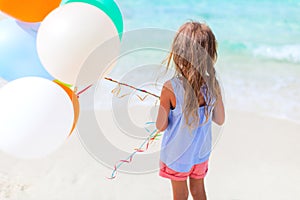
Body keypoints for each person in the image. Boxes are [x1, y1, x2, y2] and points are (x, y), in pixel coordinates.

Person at [156, 21, 225, 200]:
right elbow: (220, 119)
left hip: (177, 156)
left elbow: (160, 126)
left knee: (180, 195)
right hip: (200, 153)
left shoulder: (170, 88)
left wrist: (163, 105)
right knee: (198, 190)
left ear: (178, 54)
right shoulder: (212, 85)